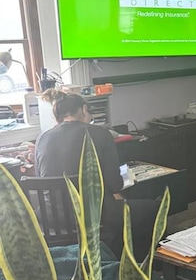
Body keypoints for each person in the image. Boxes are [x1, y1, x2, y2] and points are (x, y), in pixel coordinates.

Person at [35, 90, 158, 261]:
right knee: (152, 208)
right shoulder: (100, 134)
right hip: (95, 218)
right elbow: (115, 185)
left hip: (54, 221)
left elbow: (41, 179)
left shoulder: (42, 138)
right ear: (84, 110)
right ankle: (135, 267)